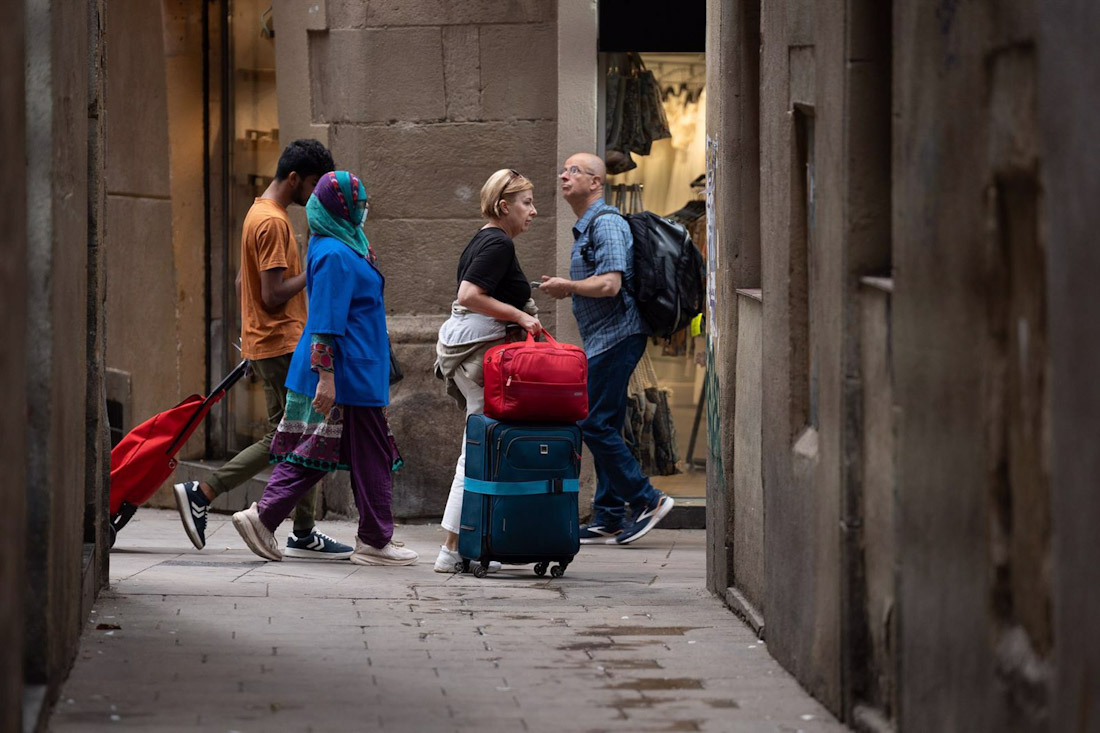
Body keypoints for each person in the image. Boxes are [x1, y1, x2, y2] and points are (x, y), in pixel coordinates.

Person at [172, 139, 352, 560]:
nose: (315, 194)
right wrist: (311, 271)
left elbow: (242, 284)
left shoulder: (257, 213)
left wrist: (249, 338)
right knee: (288, 434)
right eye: (312, 183)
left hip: (266, 342)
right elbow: (271, 294)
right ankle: (203, 490)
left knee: (301, 433)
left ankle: (304, 532)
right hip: (283, 341)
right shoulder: (274, 223)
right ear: (294, 179)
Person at [231, 170, 418, 566]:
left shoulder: (346, 244)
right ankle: (263, 516)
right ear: (340, 208)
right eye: (358, 205)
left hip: (359, 373)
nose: (363, 212)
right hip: (344, 375)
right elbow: (326, 322)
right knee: (319, 451)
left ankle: (373, 538)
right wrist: (327, 379)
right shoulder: (334, 253)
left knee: (365, 454)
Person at [538, 153, 675, 545]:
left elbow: (611, 284)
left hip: (618, 335)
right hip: (604, 338)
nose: (564, 175)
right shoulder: (588, 226)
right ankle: (611, 514)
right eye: (563, 169)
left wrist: (568, 287)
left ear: (596, 182)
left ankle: (647, 499)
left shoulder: (608, 223)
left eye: (574, 171)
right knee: (607, 422)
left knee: (592, 423)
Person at [433, 169, 541, 573]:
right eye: (526, 202)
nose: (533, 211)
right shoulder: (497, 242)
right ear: (503, 206)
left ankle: (465, 545)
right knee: (475, 450)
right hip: (481, 355)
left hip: (471, 352)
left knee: (478, 445)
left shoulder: (487, 239)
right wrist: (521, 316)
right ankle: (451, 548)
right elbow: (469, 295)